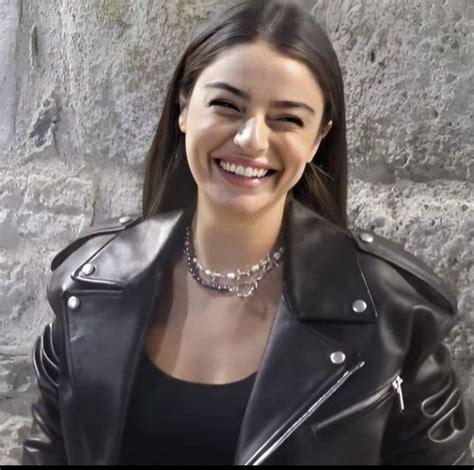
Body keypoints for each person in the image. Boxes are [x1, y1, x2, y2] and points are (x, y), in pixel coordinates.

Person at [22, 0, 472, 465]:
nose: (251, 139)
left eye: (288, 119)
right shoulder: (90, 286)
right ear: (184, 109)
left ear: (318, 140)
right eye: (227, 105)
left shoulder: (394, 314)